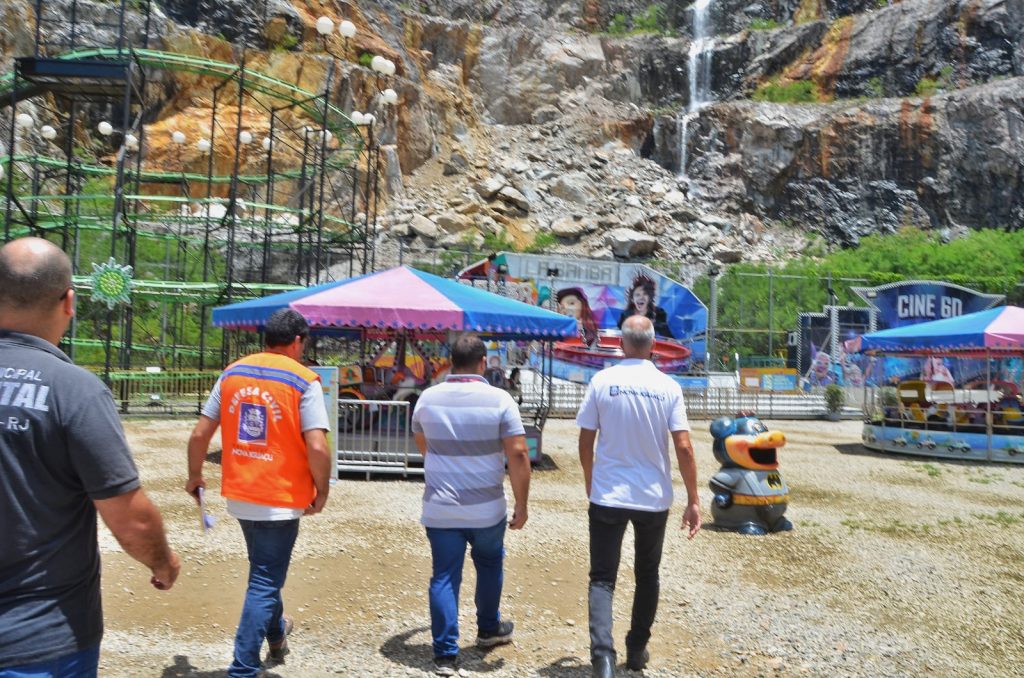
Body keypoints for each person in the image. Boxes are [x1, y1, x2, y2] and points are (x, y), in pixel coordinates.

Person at [0, 237, 180, 676]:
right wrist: (162, 561)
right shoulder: (74, 391)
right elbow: (130, 519)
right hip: (40, 637)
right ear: (69, 301)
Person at [186, 308, 332, 678]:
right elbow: (317, 446)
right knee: (265, 580)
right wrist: (322, 489)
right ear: (298, 341)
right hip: (281, 498)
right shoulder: (303, 380)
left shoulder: (232, 373)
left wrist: (195, 476)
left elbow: (200, 434)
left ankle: (277, 634)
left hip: (241, 493)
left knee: (265, 572)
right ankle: (243, 667)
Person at [576, 315, 701, 678]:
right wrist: (693, 499)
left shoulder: (602, 381)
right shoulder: (668, 387)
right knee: (647, 574)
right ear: (652, 346)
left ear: (621, 344)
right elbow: (685, 447)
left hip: (608, 494)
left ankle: (602, 659)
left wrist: (590, 479)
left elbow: (585, 441)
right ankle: (636, 649)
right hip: (652, 497)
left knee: (602, 577)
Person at [412, 333, 531, 677]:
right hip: (487, 507)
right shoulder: (500, 400)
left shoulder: (428, 399)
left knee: (444, 575)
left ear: (451, 362)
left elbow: (425, 444)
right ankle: (488, 629)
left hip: (440, 506)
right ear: (483, 364)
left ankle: (445, 656)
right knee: (490, 563)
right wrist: (521, 503)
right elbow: (519, 452)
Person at [616, 273, 673, 338]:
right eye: (637, 295)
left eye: (645, 294)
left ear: (650, 298)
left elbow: (668, 337)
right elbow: (620, 335)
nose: (641, 297)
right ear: (632, 299)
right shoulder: (625, 315)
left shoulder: (659, 314)